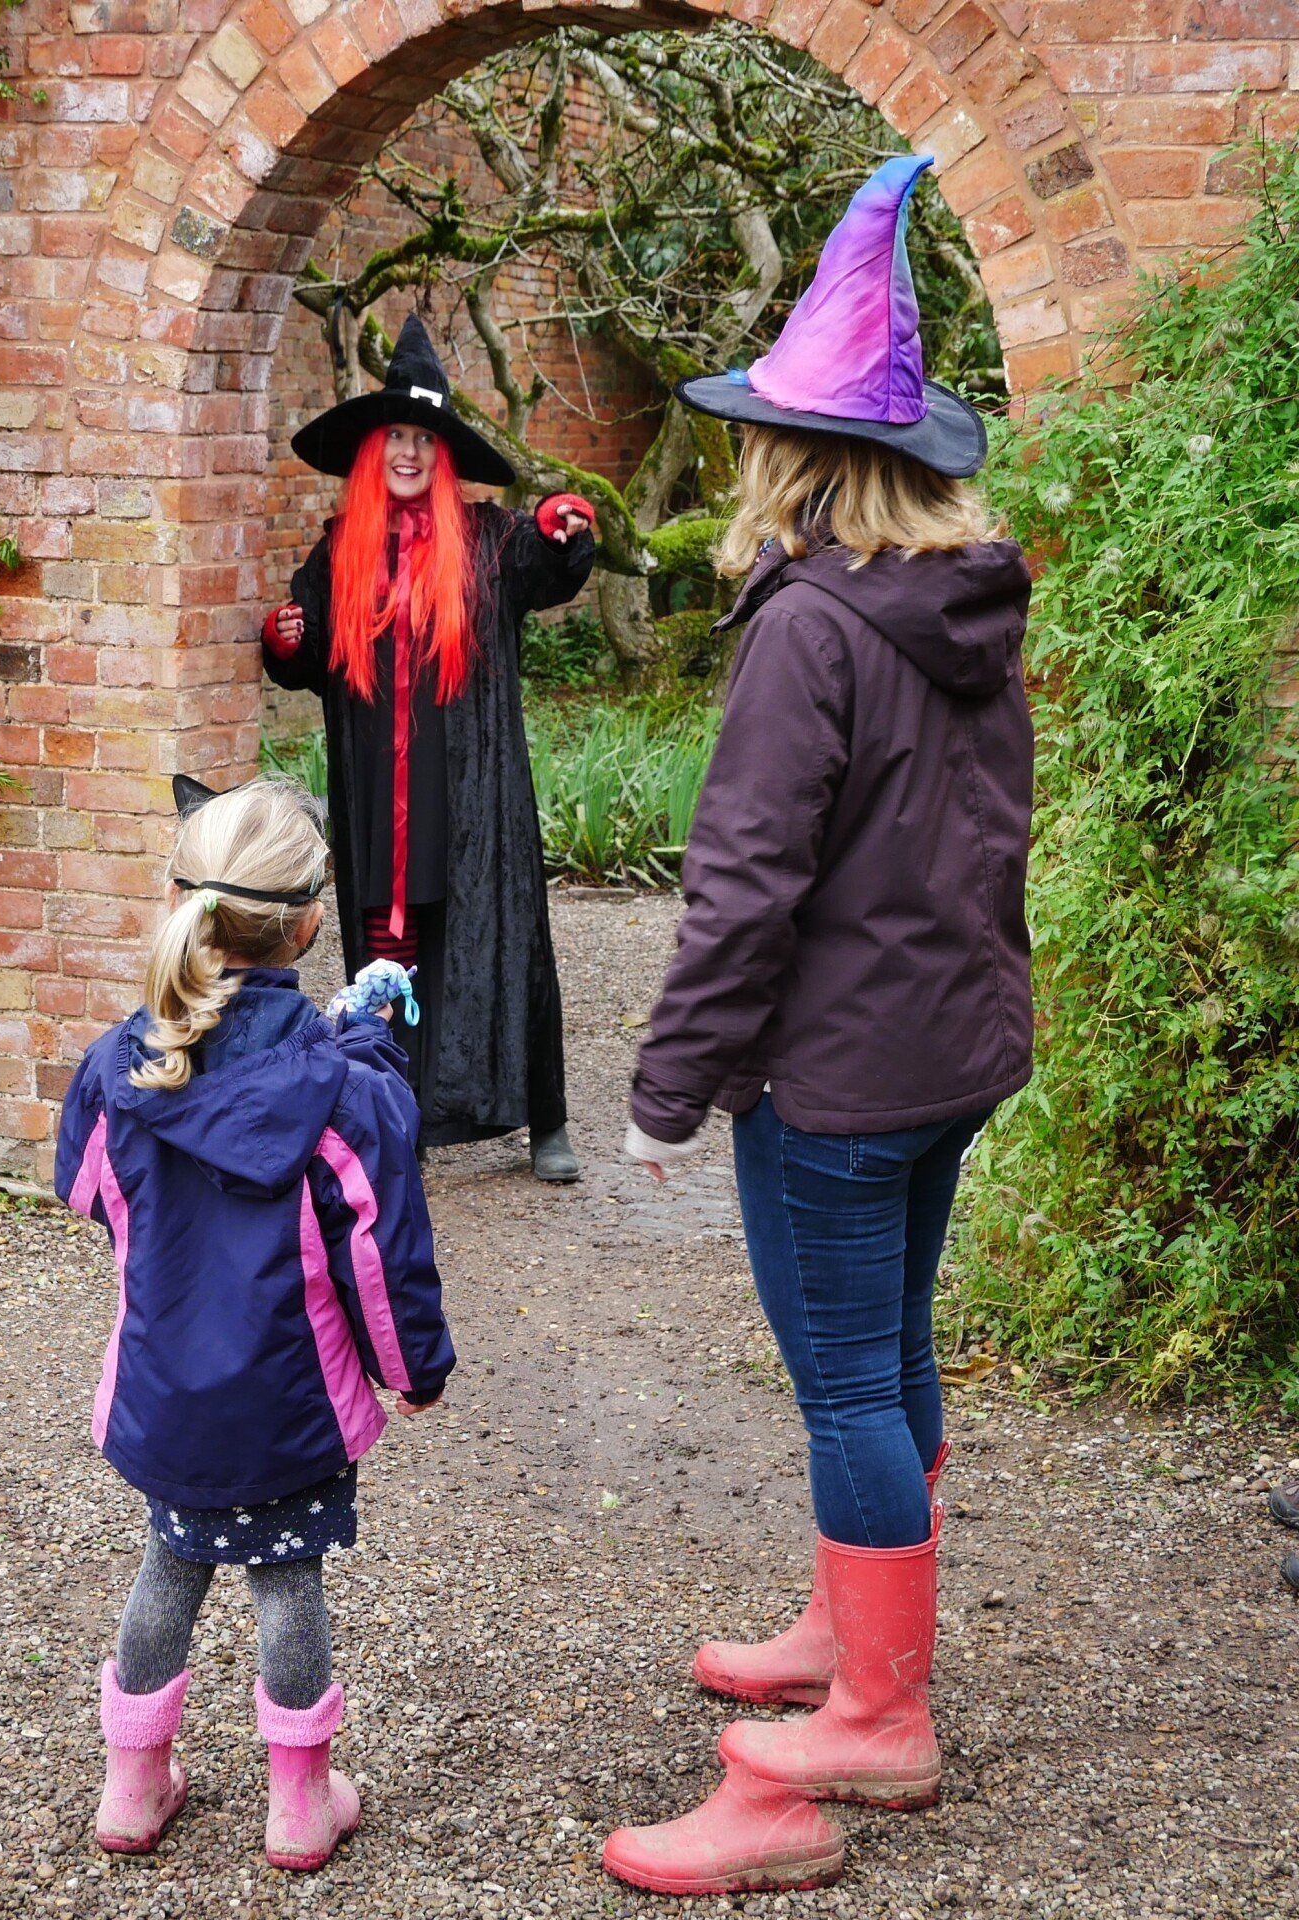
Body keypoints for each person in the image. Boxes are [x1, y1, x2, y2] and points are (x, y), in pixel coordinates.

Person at [603, 157, 1035, 1896]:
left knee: (848, 1376)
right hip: (948, 1053)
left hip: (842, 1078)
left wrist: (665, 1088)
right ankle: (851, 1633)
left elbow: (745, 888)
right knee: (897, 1351)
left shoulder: (806, 632)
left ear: (790, 455)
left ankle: (879, 1714)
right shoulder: (962, 611)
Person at [54, 778, 453, 1871]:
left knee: (168, 1568)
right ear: (312, 922)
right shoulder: (345, 1093)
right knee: (288, 1579)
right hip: (290, 1399)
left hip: (161, 1387)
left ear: (180, 899)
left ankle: (133, 1786)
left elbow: (88, 1191)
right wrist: (415, 1373)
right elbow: (380, 1256)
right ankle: (299, 1803)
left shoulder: (116, 1065)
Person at [263, 314, 595, 1181]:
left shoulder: (488, 542)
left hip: (470, 794)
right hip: (382, 797)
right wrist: (287, 639)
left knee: (503, 939)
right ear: (373, 455)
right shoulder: (341, 553)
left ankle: (544, 1120)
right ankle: (390, 1111)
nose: (408, 452)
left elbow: (549, 566)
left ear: (441, 455)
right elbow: (304, 663)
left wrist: (566, 528)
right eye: (394, 438)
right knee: (388, 953)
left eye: (422, 439)